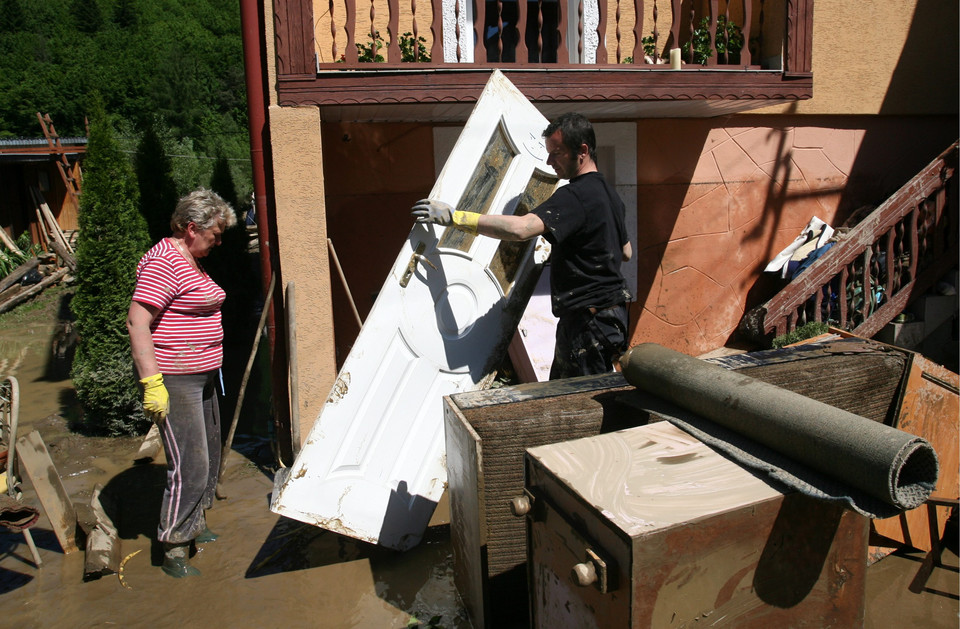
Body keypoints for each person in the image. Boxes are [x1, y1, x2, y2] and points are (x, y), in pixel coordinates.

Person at [412, 112, 632, 379]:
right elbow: (625, 252)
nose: (549, 161)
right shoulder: (609, 194)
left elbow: (521, 229)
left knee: (583, 403)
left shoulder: (576, 195)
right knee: (574, 396)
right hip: (612, 317)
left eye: (557, 153)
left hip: (589, 322)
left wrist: (455, 217)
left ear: (582, 151)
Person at [126, 188, 237, 578]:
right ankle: (173, 544)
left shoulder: (188, 258)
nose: (219, 242)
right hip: (176, 378)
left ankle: (194, 524)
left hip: (203, 375)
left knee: (208, 453)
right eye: (215, 234)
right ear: (192, 228)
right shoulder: (165, 262)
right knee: (190, 463)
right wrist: (152, 383)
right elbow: (137, 321)